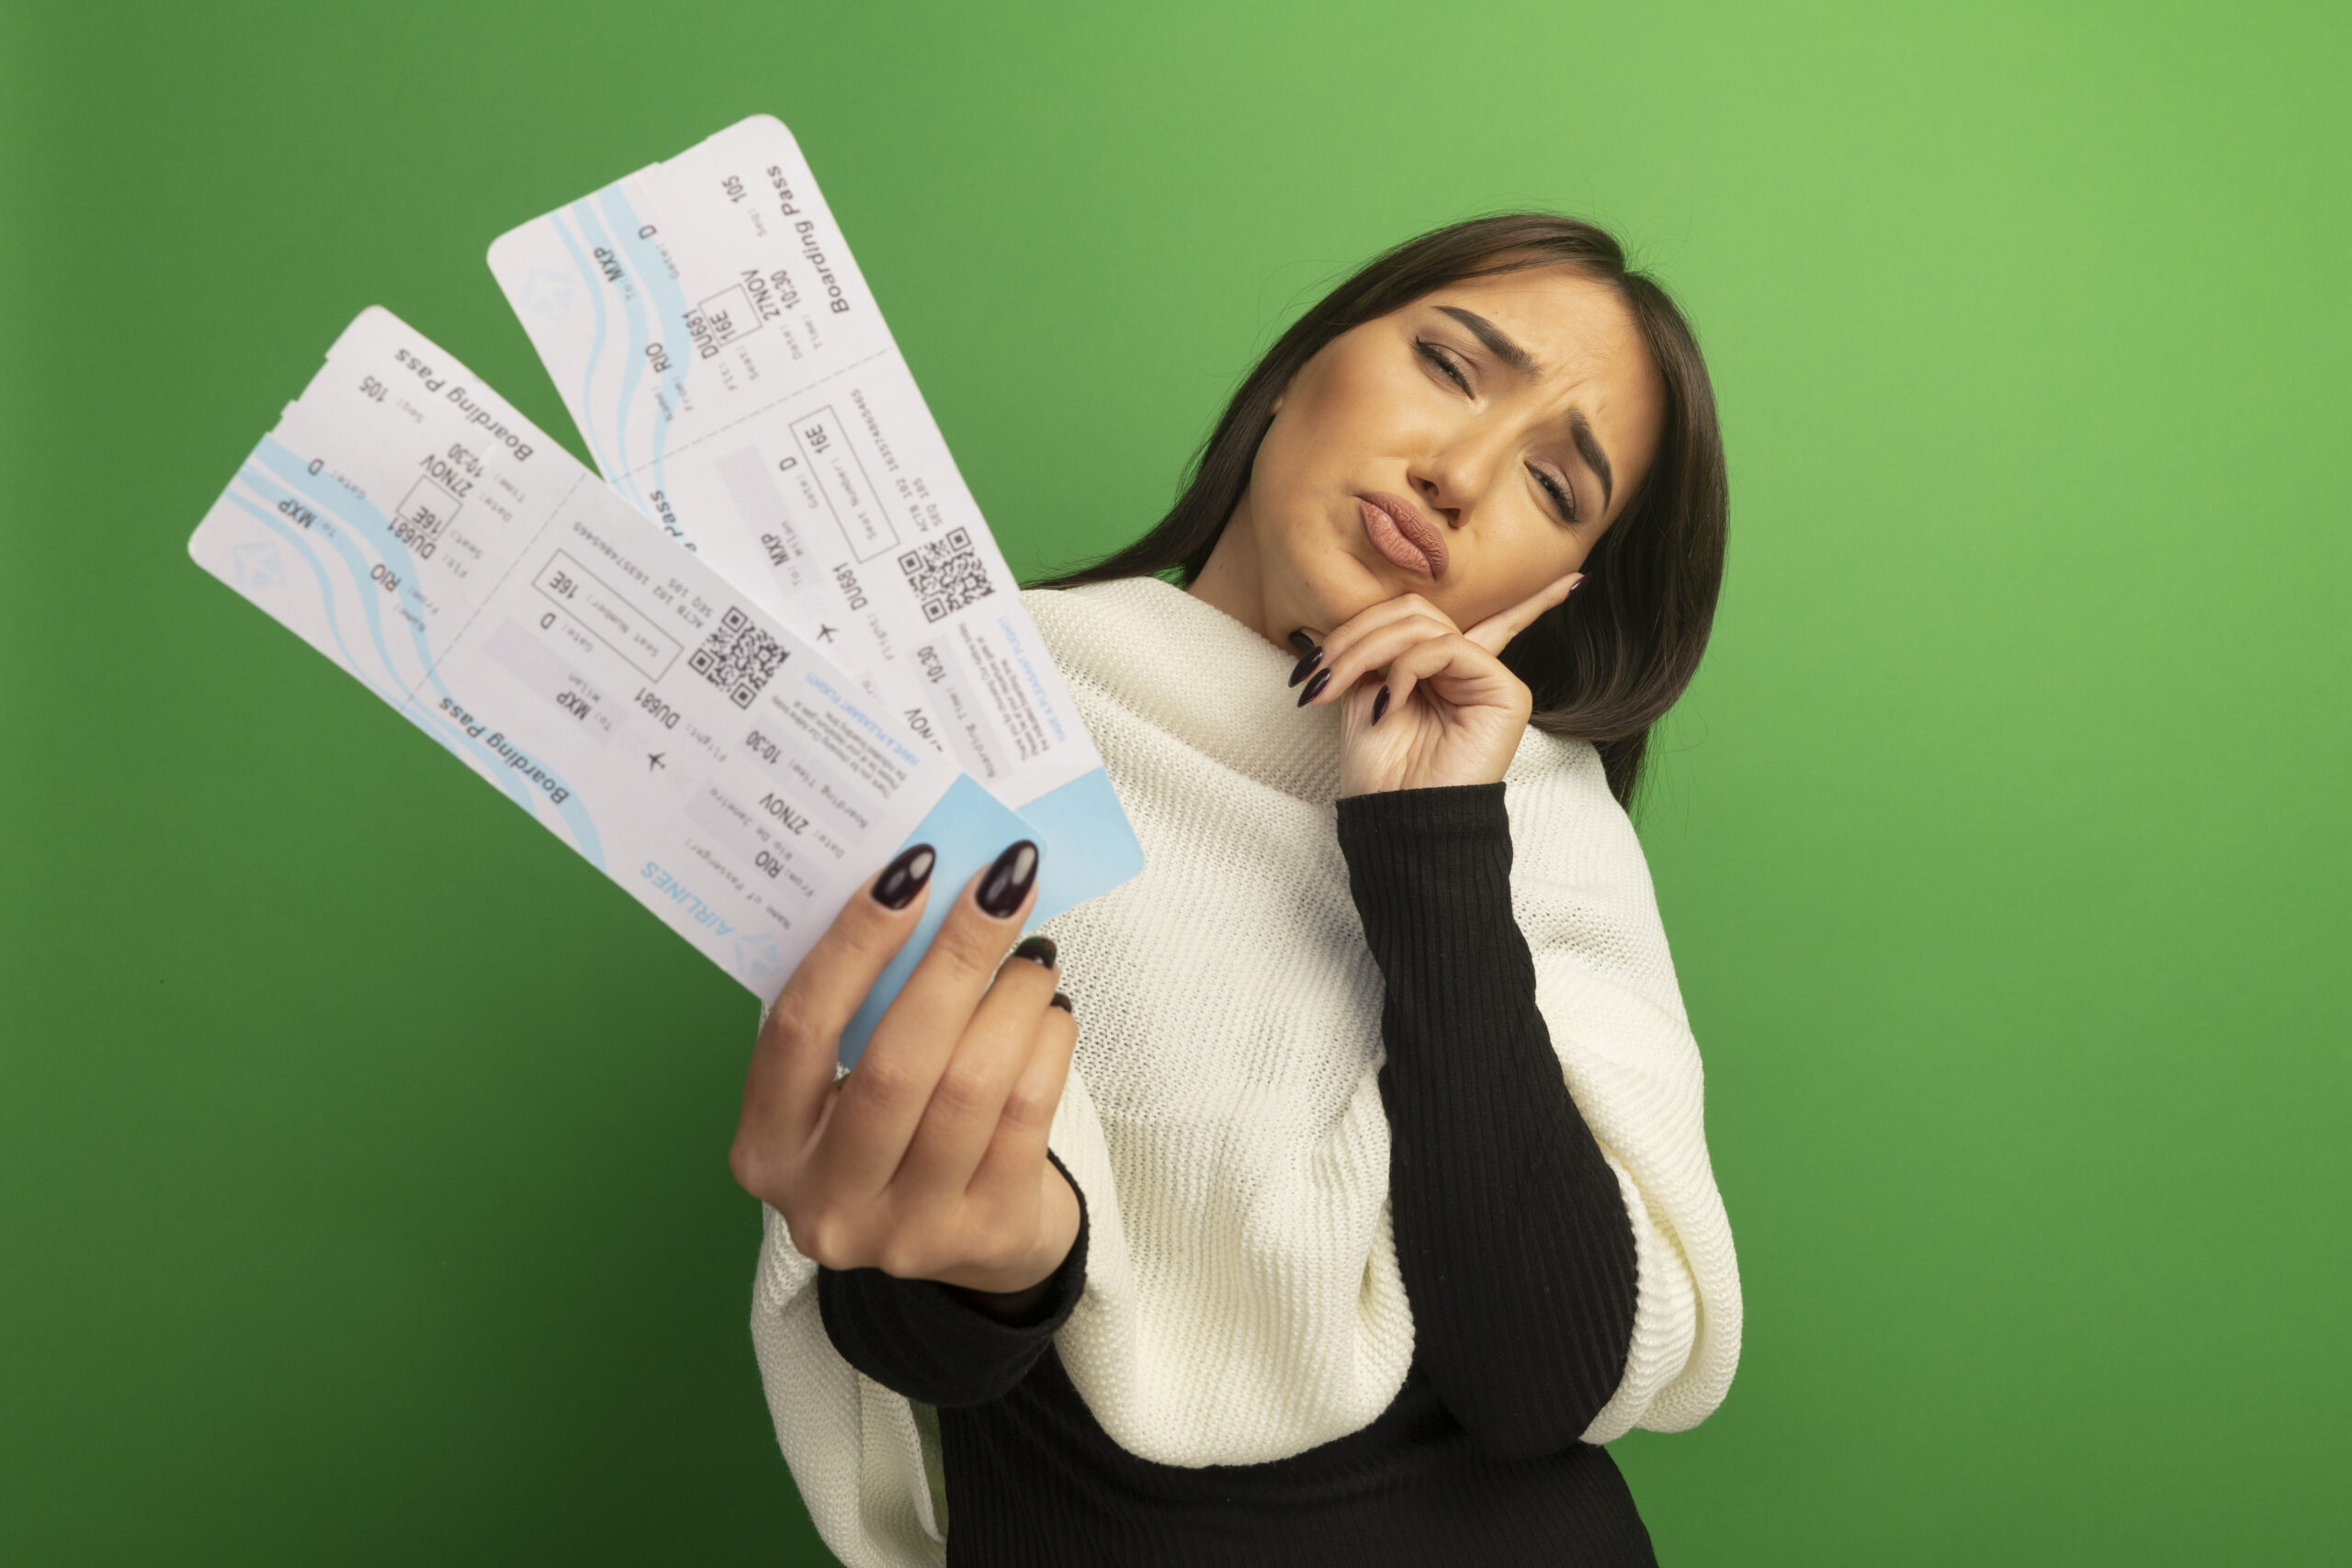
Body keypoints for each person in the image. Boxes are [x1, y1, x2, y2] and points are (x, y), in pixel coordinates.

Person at [729, 214, 1741, 1566]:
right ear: (1296, 372)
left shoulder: (1539, 821)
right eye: (1449, 365)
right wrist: (1007, 1264)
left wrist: (1432, 839)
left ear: (1556, 592)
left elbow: (1540, 1381)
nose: (1458, 474)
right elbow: (912, 1337)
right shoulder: (979, 716)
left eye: (1556, 488)